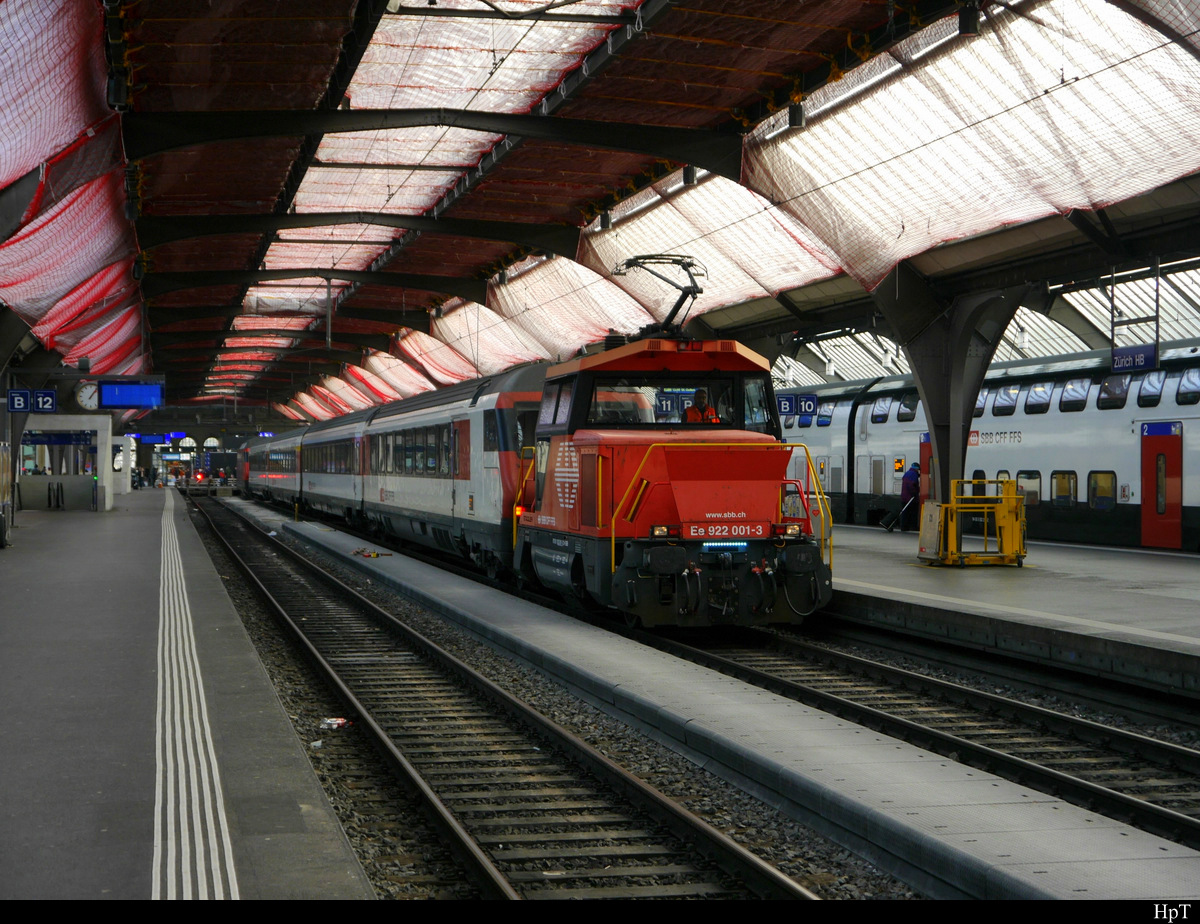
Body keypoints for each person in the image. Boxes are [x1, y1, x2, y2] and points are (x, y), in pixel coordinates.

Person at [899, 461, 921, 531]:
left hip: (904, 496)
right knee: (913, 512)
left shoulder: (907, 473)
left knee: (905, 512)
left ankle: (904, 526)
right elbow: (911, 485)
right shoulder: (914, 474)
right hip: (911, 497)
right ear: (917, 469)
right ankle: (913, 526)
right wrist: (914, 493)